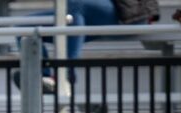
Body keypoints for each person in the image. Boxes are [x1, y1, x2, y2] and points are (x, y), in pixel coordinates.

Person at [14, 0, 159, 93]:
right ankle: (44, 79)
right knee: (24, 28)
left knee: (75, 5)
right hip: (91, 13)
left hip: (131, 12)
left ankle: (66, 77)